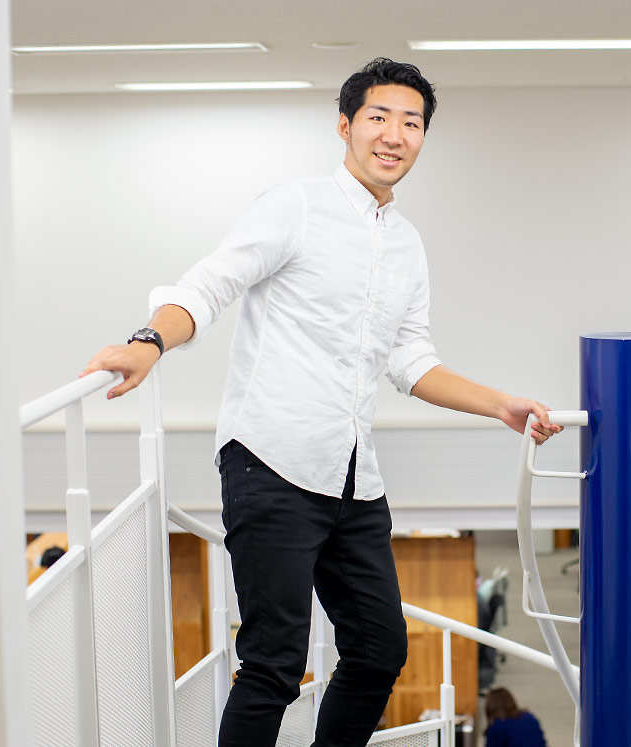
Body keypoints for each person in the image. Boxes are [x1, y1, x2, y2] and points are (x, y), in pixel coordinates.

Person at [80, 58, 563, 747]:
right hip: (271, 458)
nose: (394, 135)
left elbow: (410, 359)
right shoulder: (295, 206)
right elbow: (208, 286)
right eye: (378, 117)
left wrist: (500, 405)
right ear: (345, 126)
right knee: (274, 663)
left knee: (379, 649)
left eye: (411, 123)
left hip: (353, 478)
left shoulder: (406, 244)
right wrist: (149, 341)